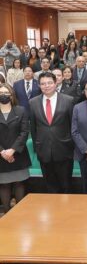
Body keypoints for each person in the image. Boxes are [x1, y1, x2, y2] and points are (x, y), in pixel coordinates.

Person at [29, 72, 74, 193]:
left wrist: (71, 146)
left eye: (49, 83)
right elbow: (33, 128)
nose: (46, 86)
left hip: (64, 150)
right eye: (43, 83)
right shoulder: (33, 103)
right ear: (39, 85)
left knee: (66, 186)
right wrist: (37, 147)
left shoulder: (68, 101)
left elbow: (72, 126)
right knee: (50, 187)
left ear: (56, 83)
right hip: (43, 151)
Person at [0, 84, 31, 213]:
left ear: (12, 95)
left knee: (19, 183)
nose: (3, 95)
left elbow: (24, 133)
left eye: (6, 93)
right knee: (4, 185)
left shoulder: (21, 110)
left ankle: (20, 214)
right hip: (0, 155)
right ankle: (6, 214)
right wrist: (2, 151)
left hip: (18, 153)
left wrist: (12, 150)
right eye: (1, 92)